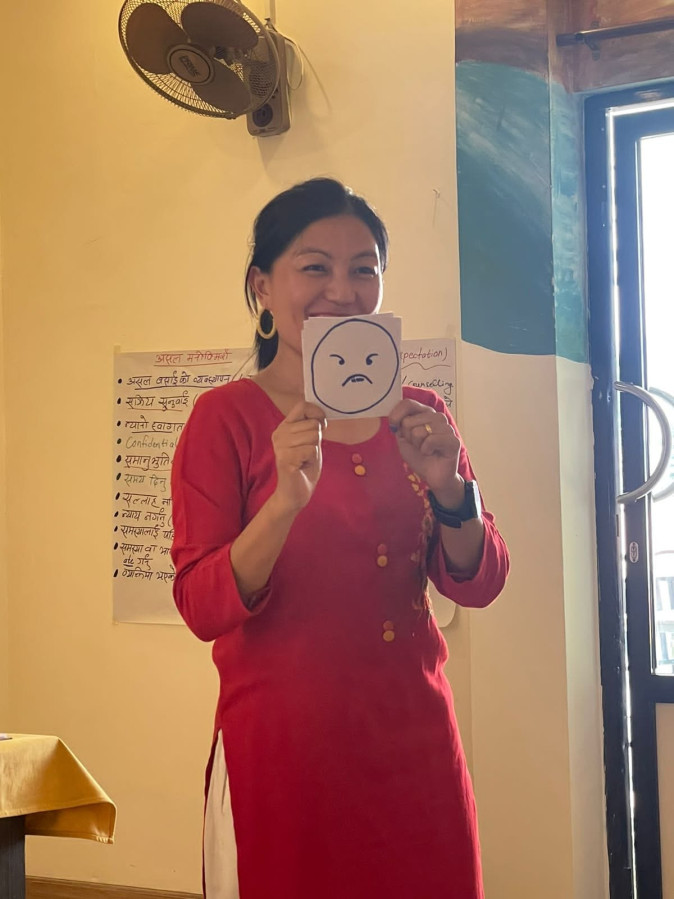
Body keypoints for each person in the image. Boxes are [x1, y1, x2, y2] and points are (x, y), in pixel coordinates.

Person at [170, 177, 510, 899]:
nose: (343, 290)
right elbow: (202, 604)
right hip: (284, 757)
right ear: (263, 287)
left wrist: (451, 488)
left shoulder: (420, 414)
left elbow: (479, 581)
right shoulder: (224, 419)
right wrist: (283, 505)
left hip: (417, 745)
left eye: (364, 268)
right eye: (315, 267)